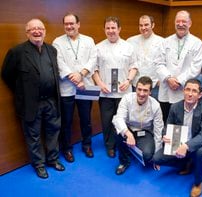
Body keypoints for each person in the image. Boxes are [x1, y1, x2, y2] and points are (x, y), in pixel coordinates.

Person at [1, 19, 65, 179]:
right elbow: (6, 75)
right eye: (33, 29)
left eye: (40, 28)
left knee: (53, 132)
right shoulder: (17, 52)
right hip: (31, 104)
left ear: (44, 31)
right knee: (33, 136)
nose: (37, 31)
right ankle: (39, 165)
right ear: (27, 32)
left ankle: (53, 159)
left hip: (51, 100)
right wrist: (22, 91)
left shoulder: (52, 50)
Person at [153, 79, 202, 197]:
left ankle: (198, 182)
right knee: (156, 158)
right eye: (188, 89)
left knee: (201, 152)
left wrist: (186, 146)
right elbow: (167, 126)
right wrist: (165, 136)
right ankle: (186, 163)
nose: (190, 93)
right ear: (183, 91)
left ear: (200, 95)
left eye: (194, 91)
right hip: (177, 143)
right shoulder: (175, 107)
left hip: (195, 145)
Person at [52, 13, 97, 162]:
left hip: (87, 85)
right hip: (67, 88)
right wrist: (76, 79)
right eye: (66, 24)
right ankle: (67, 149)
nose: (69, 26)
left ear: (78, 24)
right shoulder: (57, 42)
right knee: (67, 121)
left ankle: (87, 145)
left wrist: (81, 74)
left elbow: (92, 60)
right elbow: (59, 64)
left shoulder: (89, 40)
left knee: (86, 119)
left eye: (72, 23)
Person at [93, 16, 138, 158]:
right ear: (104, 29)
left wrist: (129, 80)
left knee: (124, 119)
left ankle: (123, 144)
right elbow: (94, 69)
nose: (111, 31)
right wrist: (100, 84)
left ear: (119, 29)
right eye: (108, 28)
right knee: (107, 121)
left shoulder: (129, 47)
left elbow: (134, 66)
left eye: (113, 28)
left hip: (124, 91)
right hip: (105, 92)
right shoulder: (98, 47)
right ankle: (110, 146)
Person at [154, 10, 202, 123]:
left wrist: (178, 81)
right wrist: (169, 78)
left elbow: (195, 68)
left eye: (184, 21)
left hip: (184, 91)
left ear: (190, 23)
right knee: (165, 122)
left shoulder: (197, 43)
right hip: (166, 90)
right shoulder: (165, 42)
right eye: (178, 21)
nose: (180, 24)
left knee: (181, 125)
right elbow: (158, 63)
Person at [112, 76, 164, 175]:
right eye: (139, 89)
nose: (141, 93)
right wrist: (128, 134)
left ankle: (131, 148)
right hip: (128, 129)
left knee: (147, 156)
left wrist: (157, 158)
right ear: (135, 89)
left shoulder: (155, 105)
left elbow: (158, 131)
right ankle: (124, 162)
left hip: (145, 132)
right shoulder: (127, 98)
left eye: (145, 90)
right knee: (117, 129)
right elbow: (118, 118)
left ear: (150, 92)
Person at [127, 15, 164, 100]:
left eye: (146, 25)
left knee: (153, 111)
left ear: (153, 25)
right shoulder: (130, 41)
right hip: (136, 85)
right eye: (141, 25)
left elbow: (164, 63)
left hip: (154, 86)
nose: (143, 28)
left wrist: (160, 80)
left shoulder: (162, 42)